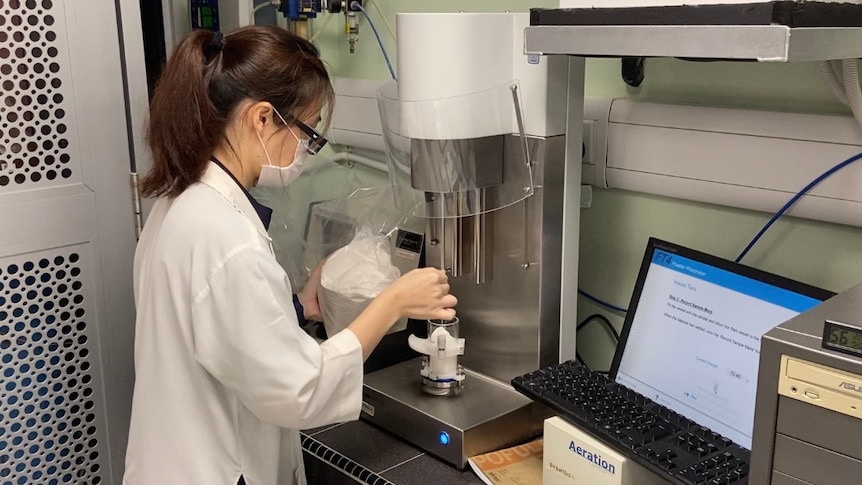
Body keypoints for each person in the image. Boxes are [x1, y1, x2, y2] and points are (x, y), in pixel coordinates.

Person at [123, 26, 457, 485]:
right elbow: (299, 391)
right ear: (262, 119)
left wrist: (299, 305)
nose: (306, 150)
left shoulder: (179, 201)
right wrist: (392, 303)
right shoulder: (227, 238)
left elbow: (219, 331)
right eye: (307, 131)